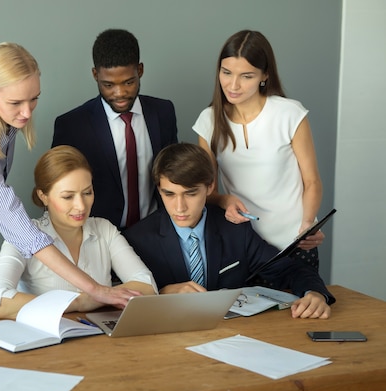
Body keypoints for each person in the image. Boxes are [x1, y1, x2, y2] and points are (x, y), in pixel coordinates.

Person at [0, 42, 137, 308]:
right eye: (16, 102)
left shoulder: (5, 118)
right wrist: (97, 290)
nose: (27, 112)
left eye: (34, 98)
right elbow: (24, 234)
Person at [123, 143, 335, 318]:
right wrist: (161, 293)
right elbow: (118, 296)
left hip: (230, 337)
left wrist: (315, 293)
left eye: (190, 193)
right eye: (169, 194)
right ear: (159, 189)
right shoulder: (138, 239)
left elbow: (289, 270)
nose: (180, 207)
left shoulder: (235, 231)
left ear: (209, 187)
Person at [193, 29, 324, 270]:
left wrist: (307, 225)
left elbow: (312, 181)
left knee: (303, 306)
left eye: (246, 76)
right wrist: (225, 200)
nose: (233, 85)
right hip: (244, 246)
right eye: (226, 72)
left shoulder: (290, 114)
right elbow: (206, 192)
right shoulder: (208, 121)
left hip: (294, 243)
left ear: (264, 75)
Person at [0, 145, 157, 319]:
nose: (81, 206)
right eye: (68, 196)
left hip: (104, 340)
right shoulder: (23, 236)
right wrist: (80, 302)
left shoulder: (104, 229)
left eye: (87, 193)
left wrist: (96, 297)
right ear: (43, 196)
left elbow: (147, 286)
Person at [52, 28, 178, 230]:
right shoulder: (72, 126)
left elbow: (174, 175)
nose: (120, 93)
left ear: (140, 70)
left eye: (128, 82)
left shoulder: (163, 112)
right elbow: (58, 192)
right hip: (97, 238)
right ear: (95, 75)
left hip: (157, 232)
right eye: (108, 85)